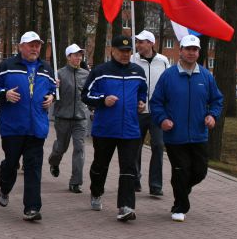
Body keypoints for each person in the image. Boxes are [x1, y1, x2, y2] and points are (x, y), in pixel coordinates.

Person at [150, 34, 223, 222]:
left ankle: (181, 188)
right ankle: (180, 206)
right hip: (175, 135)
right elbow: (156, 102)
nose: (191, 53)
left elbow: (217, 100)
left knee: (200, 172)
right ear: (180, 51)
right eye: (188, 49)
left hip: (199, 134)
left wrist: (212, 115)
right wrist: (163, 119)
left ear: (199, 52)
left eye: (195, 50)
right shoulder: (169, 76)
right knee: (181, 170)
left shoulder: (206, 76)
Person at [0, 31, 56, 221]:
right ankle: (5, 187)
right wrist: (5, 95)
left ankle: (32, 208)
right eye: (31, 45)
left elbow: (53, 89)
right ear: (21, 46)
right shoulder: (7, 66)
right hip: (13, 127)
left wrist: (52, 97)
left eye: (37, 45)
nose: (35, 48)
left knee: (33, 167)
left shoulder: (46, 68)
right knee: (11, 164)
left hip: (37, 127)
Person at [81, 35, 147, 222]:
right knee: (100, 166)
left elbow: (143, 92)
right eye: (121, 51)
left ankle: (125, 206)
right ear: (113, 51)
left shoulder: (138, 72)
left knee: (128, 168)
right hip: (105, 129)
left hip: (131, 129)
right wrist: (103, 100)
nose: (125, 55)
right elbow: (86, 95)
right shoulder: (101, 71)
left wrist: (141, 102)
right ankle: (96, 191)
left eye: (128, 51)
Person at [131, 30, 170, 196]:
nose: (138, 45)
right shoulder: (132, 59)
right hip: (137, 111)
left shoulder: (163, 61)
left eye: (142, 42)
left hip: (157, 112)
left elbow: (168, 83)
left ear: (151, 43)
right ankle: (134, 179)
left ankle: (155, 185)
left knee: (158, 145)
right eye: (137, 42)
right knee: (134, 146)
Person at [48, 43, 90, 193]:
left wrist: (92, 106)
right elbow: (50, 96)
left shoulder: (86, 74)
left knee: (79, 148)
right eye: (75, 55)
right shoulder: (58, 74)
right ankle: (54, 162)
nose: (79, 57)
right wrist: (54, 87)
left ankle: (75, 182)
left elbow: (89, 95)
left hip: (80, 118)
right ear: (68, 57)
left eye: (80, 55)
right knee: (61, 147)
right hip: (63, 117)